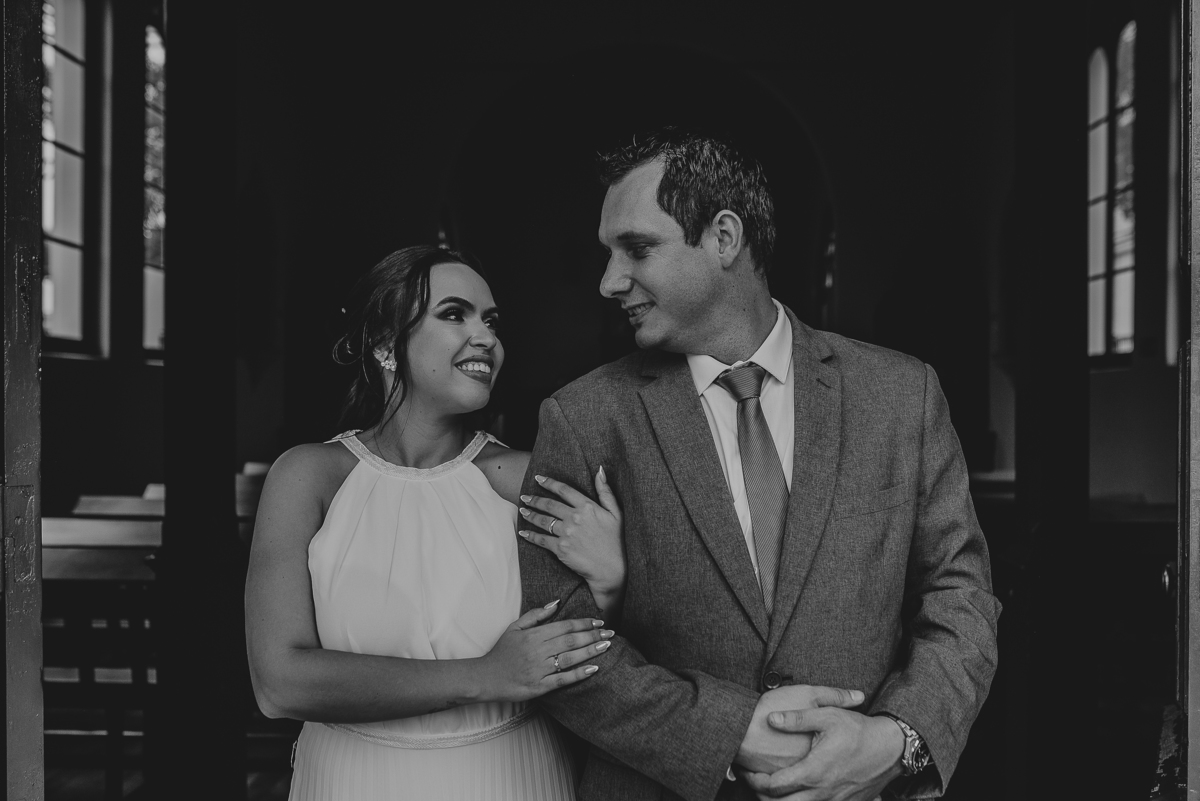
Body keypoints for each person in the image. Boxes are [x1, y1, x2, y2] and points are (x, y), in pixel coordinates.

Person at [517, 129, 1001, 801]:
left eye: (637, 248)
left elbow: (960, 597)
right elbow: (557, 652)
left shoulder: (901, 395)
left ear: (723, 237)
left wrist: (897, 739)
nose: (609, 281)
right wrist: (729, 731)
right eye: (608, 253)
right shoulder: (582, 418)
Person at [244, 245, 626, 800]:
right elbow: (279, 684)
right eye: (454, 314)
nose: (485, 337)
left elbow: (578, 655)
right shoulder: (306, 477)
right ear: (384, 343)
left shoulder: (529, 481)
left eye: (491, 321)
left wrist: (612, 583)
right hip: (353, 780)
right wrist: (484, 676)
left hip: (510, 777)